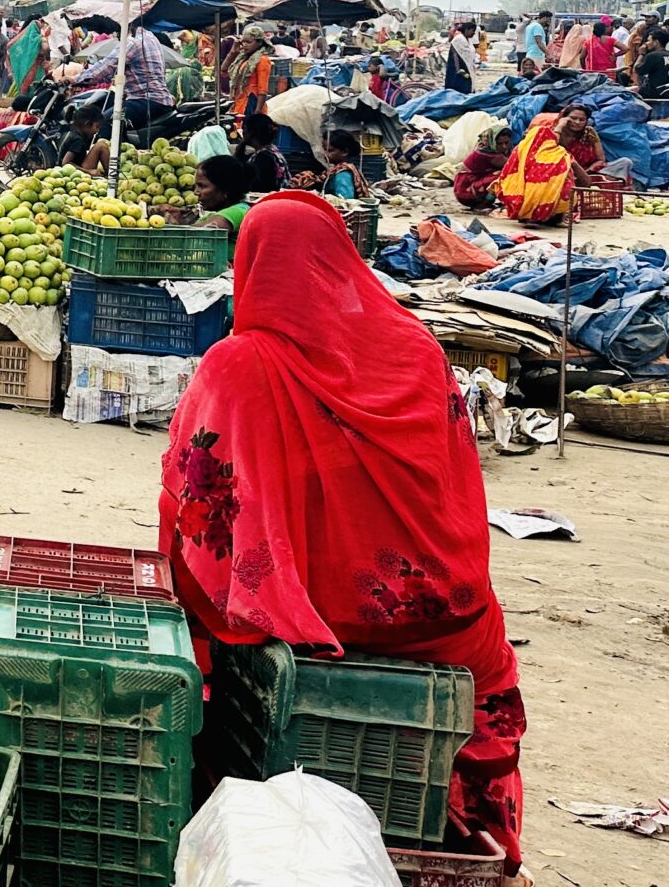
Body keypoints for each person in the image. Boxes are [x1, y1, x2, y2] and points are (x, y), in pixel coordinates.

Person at [161, 195, 526, 878]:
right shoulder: (415, 349)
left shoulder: (238, 367)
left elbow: (195, 503)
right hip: (443, 615)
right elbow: (458, 490)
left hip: (302, 628)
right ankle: (480, 856)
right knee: (487, 678)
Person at [495, 105, 603, 224]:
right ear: (563, 118)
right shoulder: (551, 132)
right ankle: (538, 211)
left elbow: (600, 159)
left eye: (582, 120)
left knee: (622, 164)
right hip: (553, 169)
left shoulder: (589, 133)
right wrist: (560, 126)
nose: (577, 122)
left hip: (578, 168)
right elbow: (549, 147)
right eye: (572, 118)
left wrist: (587, 170)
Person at [73, 25, 175, 131]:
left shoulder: (132, 42)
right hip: (160, 101)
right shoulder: (151, 37)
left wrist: (74, 80)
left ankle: (104, 147)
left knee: (104, 124)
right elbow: (111, 71)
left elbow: (105, 67)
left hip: (145, 100)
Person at [453, 126, 512, 210]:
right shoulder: (487, 154)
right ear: (492, 142)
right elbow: (513, 165)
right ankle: (484, 204)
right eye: (499, 143)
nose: (504, 146)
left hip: (471, 187)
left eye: (507, 143)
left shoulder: (487, 148)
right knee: (503, 174)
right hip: (466, 193)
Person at [193, 153, 252, 236]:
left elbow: (200, 233)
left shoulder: (239, 211)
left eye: (202, 186)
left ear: (225, 189)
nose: (196, 192)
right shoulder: (211, 215)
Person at [226, 25, 275, 118]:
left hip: (251, 104)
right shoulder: (243, 59)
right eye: (243, 42)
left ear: (260, 42)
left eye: (248, 42)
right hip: (239, 102)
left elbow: (263, 90)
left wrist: (257, 112)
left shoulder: (262, 60)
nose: (244, 45)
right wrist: (233, 52)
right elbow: (223, 71)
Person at [237, 112, 288, 195]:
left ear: (251, 132)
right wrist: (241, 146)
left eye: (245, 128)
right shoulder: (271, 150)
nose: (243, 132)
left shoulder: (264, 157)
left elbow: (257, 187)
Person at [59, 99, 110, 175]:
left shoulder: (70, 132)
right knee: (101, 145)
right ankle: (112, 175)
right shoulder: (77, 140)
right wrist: (89, 171)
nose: (98, 131)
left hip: (75, 169)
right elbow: (65, 163)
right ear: (87, 124)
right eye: (97, 127)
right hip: (75, 173)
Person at [317, 129, 364, 199]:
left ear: (344, 152)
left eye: (330, 150)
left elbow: (344, 201)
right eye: (324, 150)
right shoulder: (336, 171)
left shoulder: (343, 176)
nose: (325, 154)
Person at [639, 29, 669, 100]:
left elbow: (638, 69)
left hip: (654, 94)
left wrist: (641, 54)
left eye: (649, 40)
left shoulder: (653, 56)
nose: (646, 43)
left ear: (656, 42)